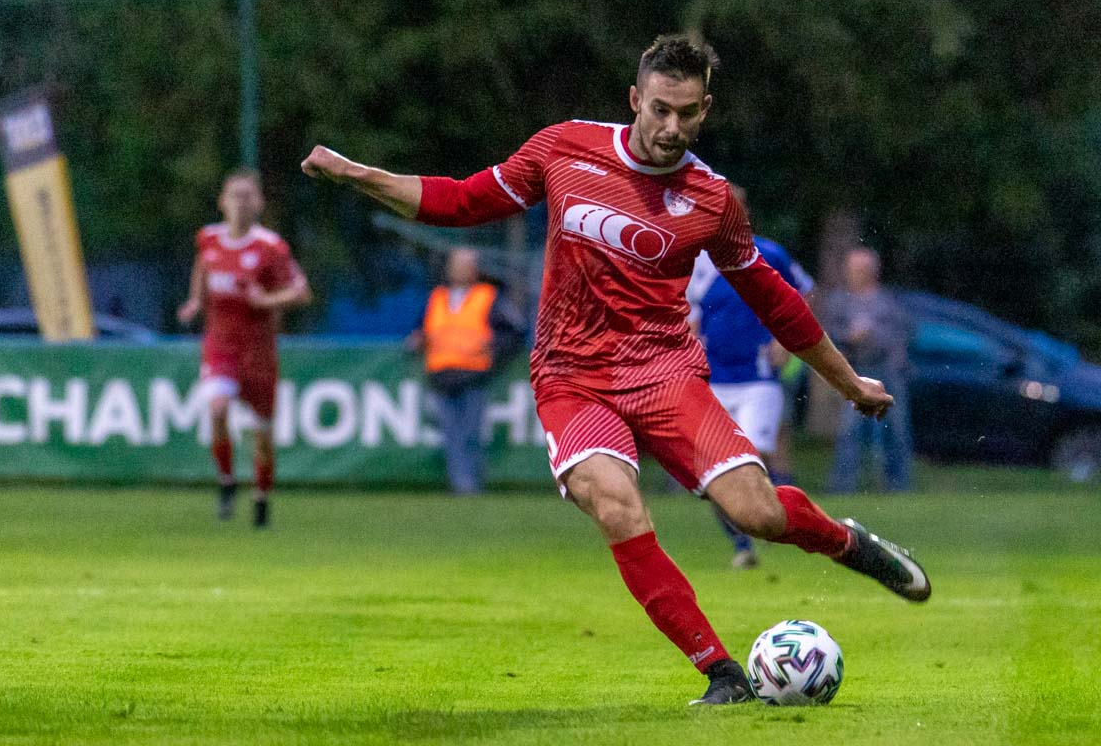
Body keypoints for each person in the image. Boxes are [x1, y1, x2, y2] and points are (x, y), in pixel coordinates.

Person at [301, 34, 930, 705]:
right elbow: (461, 201)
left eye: (687, 113)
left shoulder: (712, 200)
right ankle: (722, 675)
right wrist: (358, 174)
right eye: (660, 109)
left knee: (758, 514)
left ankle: (846, 543)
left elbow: (774, 300)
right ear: (635, 99)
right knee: (615, 503)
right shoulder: (565, 148)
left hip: (665, 373)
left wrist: (848, 382)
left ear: (705, 110)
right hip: (571, 377)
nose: (672, 127)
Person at [177, 169, 313, 527]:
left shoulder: (270, 247)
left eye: (247, 195)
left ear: (259, 203)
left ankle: (262, 498)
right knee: (218, 408)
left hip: (258, 353)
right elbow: (202, 268)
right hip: (220, 345)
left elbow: (301, 292)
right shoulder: (208, 238)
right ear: (222, 202)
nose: (240, 202)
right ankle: (226, 481)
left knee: (262, 434)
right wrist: (196, 300)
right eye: (234, 195)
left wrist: (266, 300)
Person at [686, 225, 814, 569]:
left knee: (753, 458)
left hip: (758, 378)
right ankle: (742, 543)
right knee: (716, 470)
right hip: (713, 379)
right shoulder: (695, 260)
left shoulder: (768, 253)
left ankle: (789, 526)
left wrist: (785, 338)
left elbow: (805, 292)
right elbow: (688, 312)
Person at [407, 247, 525, 495]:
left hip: (473, 375)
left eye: (466, 265)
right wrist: (417, 341)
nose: (460, 271)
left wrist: (494, 350)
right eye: (457, 265)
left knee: (470, 433)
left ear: (475, 270)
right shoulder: (437, 296)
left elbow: (514, 332)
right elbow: (423, 328)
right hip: (441, 375)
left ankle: (469, 484)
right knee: (451, 434)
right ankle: (460, 484)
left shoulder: (488, 296)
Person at [820, 247, 915, 493]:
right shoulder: (840, 302)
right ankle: (842, 488)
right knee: (849, 432)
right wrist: (849, 337)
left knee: (896, 431)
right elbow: (828, 336)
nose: (853, 274)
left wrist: (877, 338)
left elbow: (904, 334)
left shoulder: (889, 301)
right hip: (856, 372)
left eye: (859, 269)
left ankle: (899, 487)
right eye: (851, 269)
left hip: (889, 372)